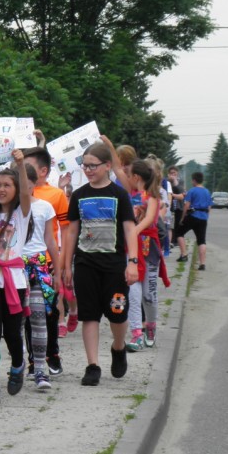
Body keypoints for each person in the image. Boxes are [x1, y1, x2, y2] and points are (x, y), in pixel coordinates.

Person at [0, 151, 60, 393]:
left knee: (13, 332)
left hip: (15, 280)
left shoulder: (22, 214)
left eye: (7, 185)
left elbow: (26, 193)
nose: (1, 189)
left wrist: (20, 165)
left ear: (16, 188)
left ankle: (17, 364)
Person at [61, 144, 139, 387]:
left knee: (118, 312)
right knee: (89, 315)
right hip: (85, 263)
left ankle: (118, 346)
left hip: (114, 264)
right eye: (84, 166)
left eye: (93, 166)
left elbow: (130, 229)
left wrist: (133, 262)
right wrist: (67, 265)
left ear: (107, 166)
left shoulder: (119, 195)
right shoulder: (79, 195)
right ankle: (92, 365)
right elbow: (72, 232)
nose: (88, 170)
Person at [21, 146, 72, 371]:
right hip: (22, 263)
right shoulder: (16, 195)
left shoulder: (55, 195)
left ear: (42, 171)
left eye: (27, 166)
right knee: (29, 312)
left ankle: (53, 353)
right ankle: (34, 359)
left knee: (49, 310)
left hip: (47, 262)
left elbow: (65, 230)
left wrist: (63, 264)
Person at [123, 160, 161, 353]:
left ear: (136, 177)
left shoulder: (152, 196)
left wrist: (134, 230)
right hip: (132, 250)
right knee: (133, 293)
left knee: (149, 295)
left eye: (129, 175)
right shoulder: (129, 195)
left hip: (149, 250)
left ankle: (151, 327)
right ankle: (136, 333)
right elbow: (116, 168)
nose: (126, 178)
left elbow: (149, 218)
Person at [176, 171, 213, 270]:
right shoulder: (207, 191)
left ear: (194, 180)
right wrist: (206, 217)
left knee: (179, 233)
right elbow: (209, 206)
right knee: (201, 240)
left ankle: (184, 254)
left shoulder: (192, 191)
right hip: (203, 218)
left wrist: (182, 218)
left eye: (192, 180)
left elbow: (186, 205)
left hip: (193, 215)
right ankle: (202, 264)